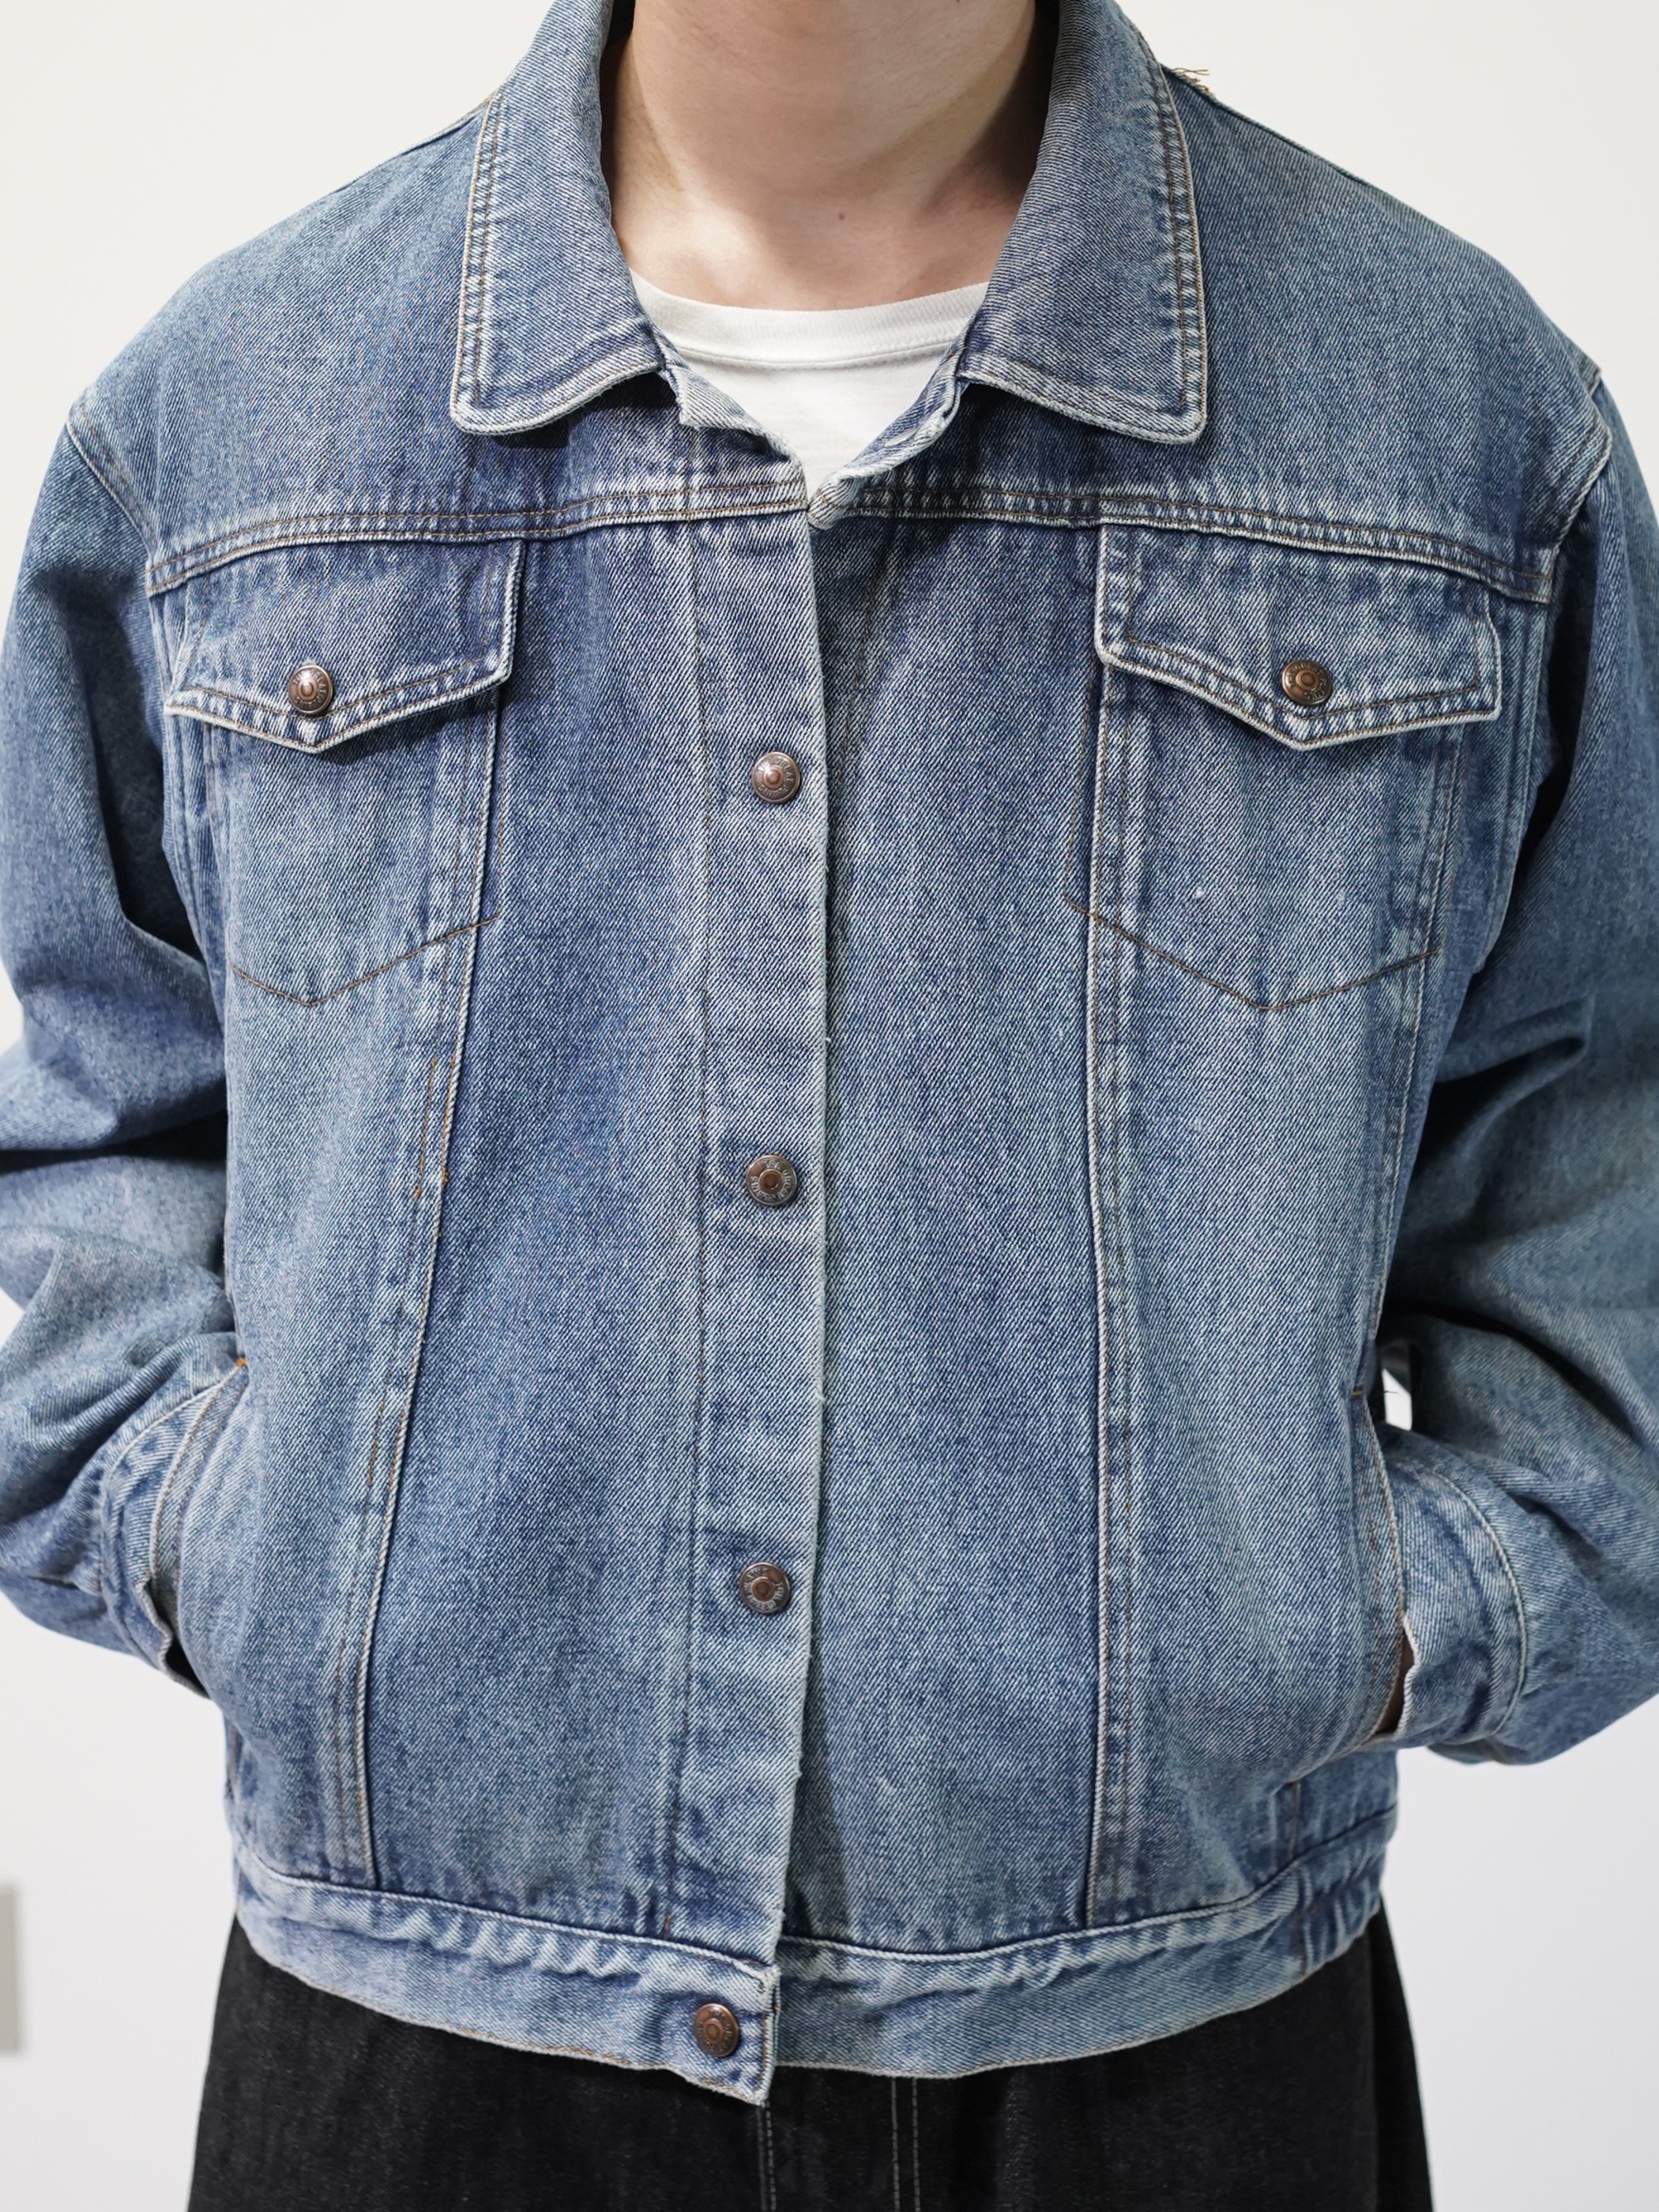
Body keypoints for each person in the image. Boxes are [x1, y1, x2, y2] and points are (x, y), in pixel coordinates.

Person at [2, 0, 1656, 2203]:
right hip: (415, 2034)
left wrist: (1353, 1624)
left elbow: (1600, 1180)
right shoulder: (228, 425)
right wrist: (245, 1549)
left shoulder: (1450, 422)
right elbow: (92, 1130)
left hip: (1172, 2048)